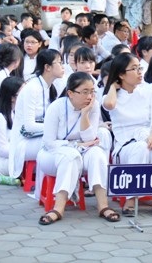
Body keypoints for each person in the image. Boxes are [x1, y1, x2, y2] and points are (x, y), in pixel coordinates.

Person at [37, 72, 119, 224]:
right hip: (52, 155)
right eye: (85, 92)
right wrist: (75, 145)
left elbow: (89, 138)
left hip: (83, 151)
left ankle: (103, 205)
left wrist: (85, 115)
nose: (89, 96)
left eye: (92, 91)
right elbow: (49, 142)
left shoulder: (92, 105)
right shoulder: (56, 108)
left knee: (98, 154)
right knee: (71, 156)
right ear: (70, 93)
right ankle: (58, 208)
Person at [102, 52, 152, 216]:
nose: (140, 72)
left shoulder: (150, 92)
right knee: (140, 149)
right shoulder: (112, 96)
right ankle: (131, 197)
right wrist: (112, 85)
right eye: (134, 69)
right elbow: (109, 105)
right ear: (121, 74)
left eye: (139, 68)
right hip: (125, 143)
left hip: (148, 136)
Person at [9, 49, 64, 184]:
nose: (63, 67)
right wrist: (56, 128)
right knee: (61, 144)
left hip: (38, 137)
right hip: (24, 142)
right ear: (47, 67)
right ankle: (50, 185)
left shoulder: (49, 86)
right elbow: (29, 126)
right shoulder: (32, 88)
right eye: (59, 63)